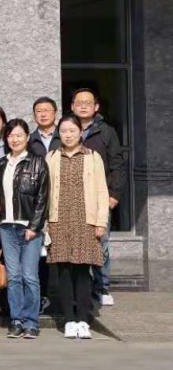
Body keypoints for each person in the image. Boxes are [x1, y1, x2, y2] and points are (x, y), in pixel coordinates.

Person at [46, 115, 109, 340]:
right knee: (63, 272)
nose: (68, 135)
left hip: (85, 221)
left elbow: (102, 190)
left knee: (83, 272)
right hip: (59, 220)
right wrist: (46, 224)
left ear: (80, 132)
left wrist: (101, 222)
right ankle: (69, 320)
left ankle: (83, 319)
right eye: (63, 131)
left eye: (72, 130)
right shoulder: (52, 157)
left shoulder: (93, 157)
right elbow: (46, 192)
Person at [71, 88, 126, 308]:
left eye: (88, 102)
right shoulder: (66, 128)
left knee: (100, 244)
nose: (83, 106)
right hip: (72, 199)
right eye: (79, 102)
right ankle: (80, 289)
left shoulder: (106, 131)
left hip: (99, 198)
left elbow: (117, 165)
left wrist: (114, 195)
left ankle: (102, 287)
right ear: (72, 106)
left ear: (96, 107)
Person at [0, 119, 49, 339]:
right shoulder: (2, 163)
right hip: (6, 226)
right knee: (14, 276)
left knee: (30, 276)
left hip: (29, 227)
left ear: (27, 137)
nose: (14, 139)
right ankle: (16, 320)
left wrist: (34, 226)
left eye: (19, 135)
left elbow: (43, 198)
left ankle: (31, 322)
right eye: (10, 135)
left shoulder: (38, 163)